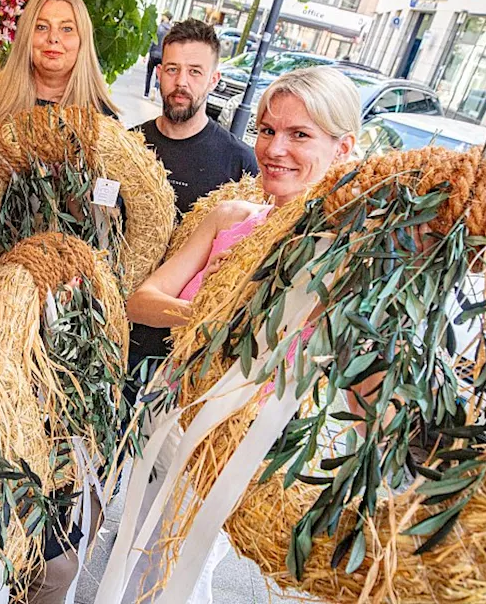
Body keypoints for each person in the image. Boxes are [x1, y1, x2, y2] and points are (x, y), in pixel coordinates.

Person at [121, 66, 361, 604]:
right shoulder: (231, 216)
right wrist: (215, 315)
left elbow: (356, 377)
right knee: (136, 551)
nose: (275, 149)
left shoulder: (344, 255)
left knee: (177, 575)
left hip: (238, 445)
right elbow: (142, 301)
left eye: (300, 135)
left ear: (343, 148)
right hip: (167, 418)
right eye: (268, 130)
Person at [128, 18, 259, 387]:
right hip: (122, 327)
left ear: (213, 80)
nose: (181, 82)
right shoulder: (130, 146)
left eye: (195, 72)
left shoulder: (239, 163)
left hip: (186, 343)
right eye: (172, 69)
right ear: (159, 73)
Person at [0, 0, 118, 126]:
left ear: (82, 41)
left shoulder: (102, 119)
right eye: (41, 27)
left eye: (67, 29)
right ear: (26, 37)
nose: (53, 38)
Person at [145, 12, 172, 98]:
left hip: (153, 54)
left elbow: (152, 41)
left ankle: (146, 93)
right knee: (159, 74)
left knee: (149, 73)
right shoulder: (170, 31)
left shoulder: (158, 28)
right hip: (163, 56)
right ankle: (155, 87)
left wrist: (147, 52)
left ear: (166, 17)